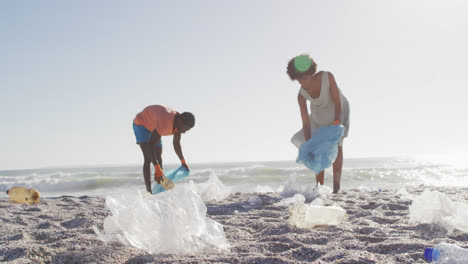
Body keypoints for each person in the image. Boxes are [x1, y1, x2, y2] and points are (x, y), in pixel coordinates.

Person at [287, 54, 350, 193]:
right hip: (318, 115)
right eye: (299, 80)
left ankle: (336, 187)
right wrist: (310, 143)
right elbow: (305, 122)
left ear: (312, 74)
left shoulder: (327, 77)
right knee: (317, 149)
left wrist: (337, 122)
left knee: (337, 143)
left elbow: (337, 101)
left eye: (304, 78)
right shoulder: (301, 95)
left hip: (337, 109)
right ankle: (319, 186)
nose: (303, 83)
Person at [133, 105, 195, 193]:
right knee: (148, 158)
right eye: (185, 129)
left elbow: (176, 143)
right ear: (180, 121)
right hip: (142, 124)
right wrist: (156, 168)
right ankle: (149, 191)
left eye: (187, 130)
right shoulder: (165, 123)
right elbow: (150, 146)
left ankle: (159, 187)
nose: (184, 132)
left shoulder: (178, 124)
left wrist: (183, 161)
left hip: (154, 126)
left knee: (158, 157)